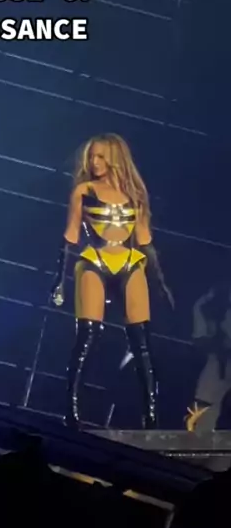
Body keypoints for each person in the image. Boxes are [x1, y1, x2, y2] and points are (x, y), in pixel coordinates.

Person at [51, 133, 172, 429]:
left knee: (141, 342)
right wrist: (59, 280)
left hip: (129, 261)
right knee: (87, 336)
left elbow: (145, 240)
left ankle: (151, 416)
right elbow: (70, 236)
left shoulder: (135, 194)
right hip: (95, 260)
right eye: (91, 156)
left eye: (101, 156)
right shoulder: (84, 191)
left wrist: (160, 281)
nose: (94, 162)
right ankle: (72, 410)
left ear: (115, 159)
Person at [185, 281, 231, 432]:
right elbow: (200, 340)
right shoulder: (205, 303)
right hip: (219, 362)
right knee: (203, 404)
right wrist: (217, 344)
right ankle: (199, 441)